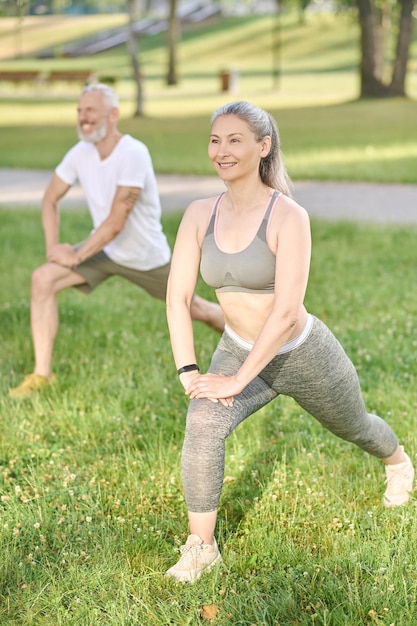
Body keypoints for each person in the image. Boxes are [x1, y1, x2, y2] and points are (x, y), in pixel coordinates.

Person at [164, 100, 415, 583]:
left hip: (302, 354)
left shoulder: (288, 217)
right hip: (237, 346)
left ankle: (399, 462)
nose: (222, 150)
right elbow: (178, 298)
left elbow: (283, 314)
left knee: (356, 427)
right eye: (215, 140)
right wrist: (189, 372)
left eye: (235, 140)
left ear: (263, 146)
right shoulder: (199, 214)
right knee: (202, 421)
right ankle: (202, 546)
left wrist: (237, 380)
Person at [8, 83, 224, 399]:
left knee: (197, 310)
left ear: (113, 115)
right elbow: (49, 198)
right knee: (42, 280)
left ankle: (254, 340)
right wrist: (54, 247)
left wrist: (76, 255)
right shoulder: (80, 153)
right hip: (106, 251)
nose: (83, 118)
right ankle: (42, 374)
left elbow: (115, 222)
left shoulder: (133, 153)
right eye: (79, 111)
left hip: (146, 257)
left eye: (90, 111)